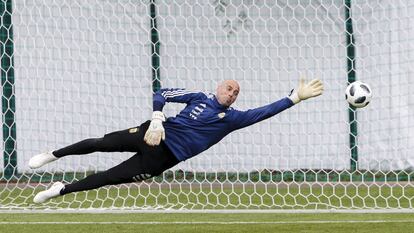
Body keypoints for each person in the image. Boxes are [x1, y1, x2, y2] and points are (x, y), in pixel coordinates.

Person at [30, 78, 323, 203]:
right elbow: (161, 93)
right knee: (99, 143)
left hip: (163, 158)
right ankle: (53, 154)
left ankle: (60, 190)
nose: (231, 94)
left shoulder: (232, 118)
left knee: (108, 177)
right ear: (219, 87)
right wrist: (157, 118)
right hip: (152, 133)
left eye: (235, 93)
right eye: (229, 88)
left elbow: (264, 112)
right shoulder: (197, 97)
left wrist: (295, 97)